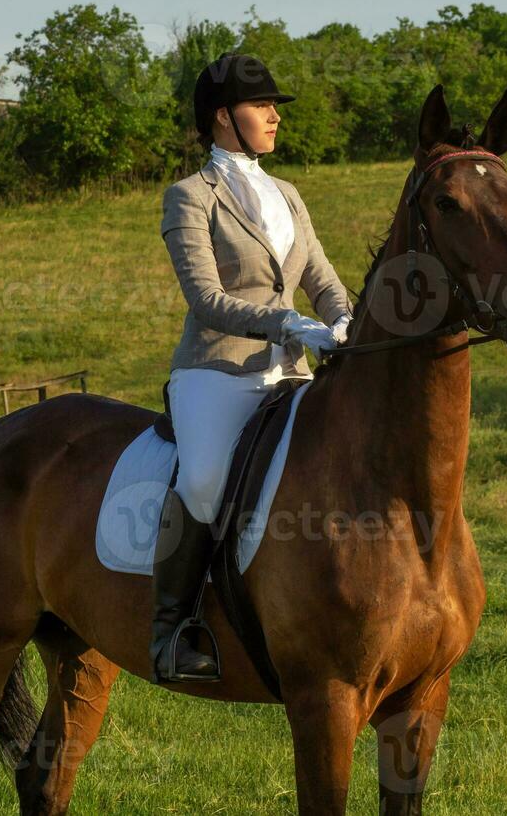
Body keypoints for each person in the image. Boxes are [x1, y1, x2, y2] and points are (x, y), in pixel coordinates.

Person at [150, 53, 353, 684]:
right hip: (216, 371)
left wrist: (345, 321)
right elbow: (206, 300)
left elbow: (323, 281)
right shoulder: (189, 197)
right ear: (222, 118)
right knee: (208, 480)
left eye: (274, 107)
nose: (273, 116)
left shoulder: (287, 195)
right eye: (261, 106)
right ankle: (172, 628)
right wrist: (290, 324)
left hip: (288, 373)